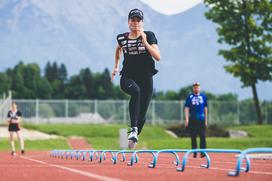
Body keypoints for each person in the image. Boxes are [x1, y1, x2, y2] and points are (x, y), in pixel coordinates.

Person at [111, 8, 160, 149]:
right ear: (128, 22)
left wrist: (145, 42)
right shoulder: (122, 38)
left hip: (146, 77)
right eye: (133, 20)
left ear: (142, 22)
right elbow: (118, 50)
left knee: (143, 113)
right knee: (136, 92)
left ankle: (135, 134)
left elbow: (158, 56)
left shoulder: (149, 36)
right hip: (128, 76)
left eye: (138, 20)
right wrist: (116, 67)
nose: (136, 22)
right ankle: (133, 129)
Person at [184, 82, 208, 158]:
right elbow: (186, 108)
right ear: (193, 88)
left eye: (197, 87)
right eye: (195, 87)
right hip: (193, 119)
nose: (196, 88)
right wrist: (187, 119)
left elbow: (205, 108)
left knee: (202, 136)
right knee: (193, 136)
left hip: (201, 119)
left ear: (200, 88)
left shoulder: (203, 96)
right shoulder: (190, 97)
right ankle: (194, 152)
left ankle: (202, 152)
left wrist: (206, 120)